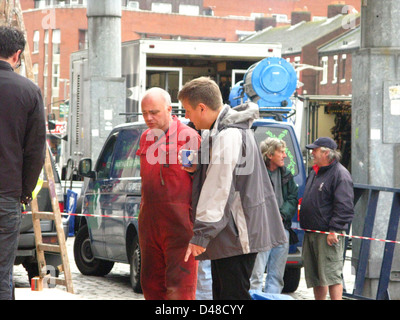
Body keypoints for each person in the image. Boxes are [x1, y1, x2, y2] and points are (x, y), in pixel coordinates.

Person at [178, 77, 287, 300]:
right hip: (233, 232)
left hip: (237, 232)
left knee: (231, 297)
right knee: (224, 295)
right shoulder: (223, 131)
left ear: (202, 107)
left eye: (188, 110)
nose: (186, 117)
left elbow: (219, 188)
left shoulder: (228, 135)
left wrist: (201, 235)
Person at [136, 87, 200, 300]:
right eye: (144, 113)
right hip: (150, 225)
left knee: (180, 290)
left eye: (153, 112)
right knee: (151, 285)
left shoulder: (188, 137)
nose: (148, 117)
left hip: (180, 227)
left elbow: (201, 184)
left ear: (169, 109)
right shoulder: (145, 137)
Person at [0, 26, 46, 300]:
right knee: (3, 272)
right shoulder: (29, 91)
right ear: (17, 55)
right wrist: (24, 193)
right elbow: (35, 152)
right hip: (7, 195)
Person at [300, 137, 354, 300]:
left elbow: (344, 206)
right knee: (317, 277)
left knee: (331, 276)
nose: (312, 154)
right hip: (312, 232)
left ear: (326, 153)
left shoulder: (340, 174)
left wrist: (335, 230)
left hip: (327, 235)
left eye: (315, 151)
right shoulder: (315, 171)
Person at [250, 137, 298, 293]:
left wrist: (282, 215)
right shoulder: (256, 174)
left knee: (277, 276)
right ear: (270, 155)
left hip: (281, 229)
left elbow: (293, 198)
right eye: (281, 152)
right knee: (255, 275)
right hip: (261, 230)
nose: (285, 155)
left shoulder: (286, 174)